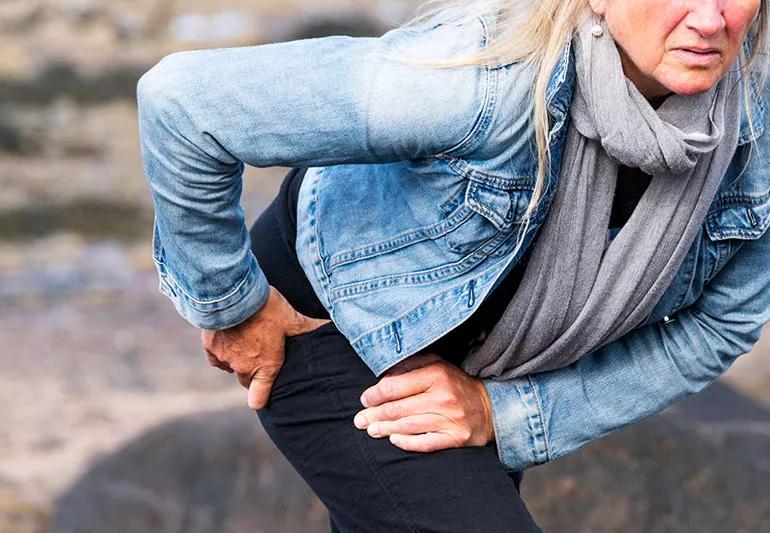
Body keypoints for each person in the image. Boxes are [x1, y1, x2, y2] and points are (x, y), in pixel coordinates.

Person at [136, 0, 770, 530]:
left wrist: (503, 412)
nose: (710, 19)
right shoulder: (483, 81)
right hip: (334, 311)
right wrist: (233, 306)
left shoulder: (756, 131)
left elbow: (722, 324)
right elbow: (184, 105)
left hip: (496, 356)